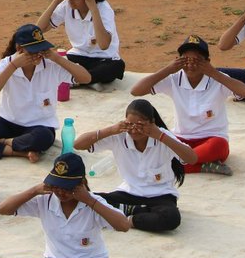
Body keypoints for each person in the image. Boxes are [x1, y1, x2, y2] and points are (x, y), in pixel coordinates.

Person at [131, 34, 245, 175]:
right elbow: (136, 91)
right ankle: (201, 166)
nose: (191, 65)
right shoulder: (174, 79)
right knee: (155, 145)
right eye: (185, 60)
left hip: (211, 139)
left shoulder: (217, 80)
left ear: (207, 62)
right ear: (178, 61)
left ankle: (173, 165)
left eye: (197, 60)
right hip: (181, 139)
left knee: (219, 147)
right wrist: (168, 69)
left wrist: (213, 72)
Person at [74, 98, 196, 233]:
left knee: (171, 218)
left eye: (140, 125)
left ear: (152, 123)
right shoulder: (119, 136)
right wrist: (110, 130)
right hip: (129, 193)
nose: (134, 130)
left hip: (161, 196)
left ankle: (130, 218)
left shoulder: (161, 135)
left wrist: (160, 136)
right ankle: (138, 210)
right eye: (130, 125)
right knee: (82, 202)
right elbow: (78, 144)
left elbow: (191, 158)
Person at [0, 152, 132, 258]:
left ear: (81, 184)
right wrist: (34, 190)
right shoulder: (46, 199)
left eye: (67, 188)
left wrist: (89, 200)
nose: (61, 193)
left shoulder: (93, 202)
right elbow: (3, 209)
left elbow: (124, 225)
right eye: (57, 186)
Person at [0, 24, 91, 160]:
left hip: (39, 126)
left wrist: (57, 58)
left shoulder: (50, 64)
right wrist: (13, 66)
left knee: (43, 138)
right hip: (8, 123)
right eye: (32, 51)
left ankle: (5, 143)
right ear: (19, 49)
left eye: (41, 50)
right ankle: (20, 152)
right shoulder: (7, 64)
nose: (38, 55)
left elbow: (86, 78)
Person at [38, 0, 125, 89]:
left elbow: (104, 44)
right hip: (78, 56)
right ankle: (86, 79)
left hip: (104, 58)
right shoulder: (67, 5)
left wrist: (93, 8)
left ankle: (77, 79)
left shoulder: (103, 9)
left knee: (116, 67)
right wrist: (56, 0)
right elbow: (38, 30)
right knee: (51, 63)